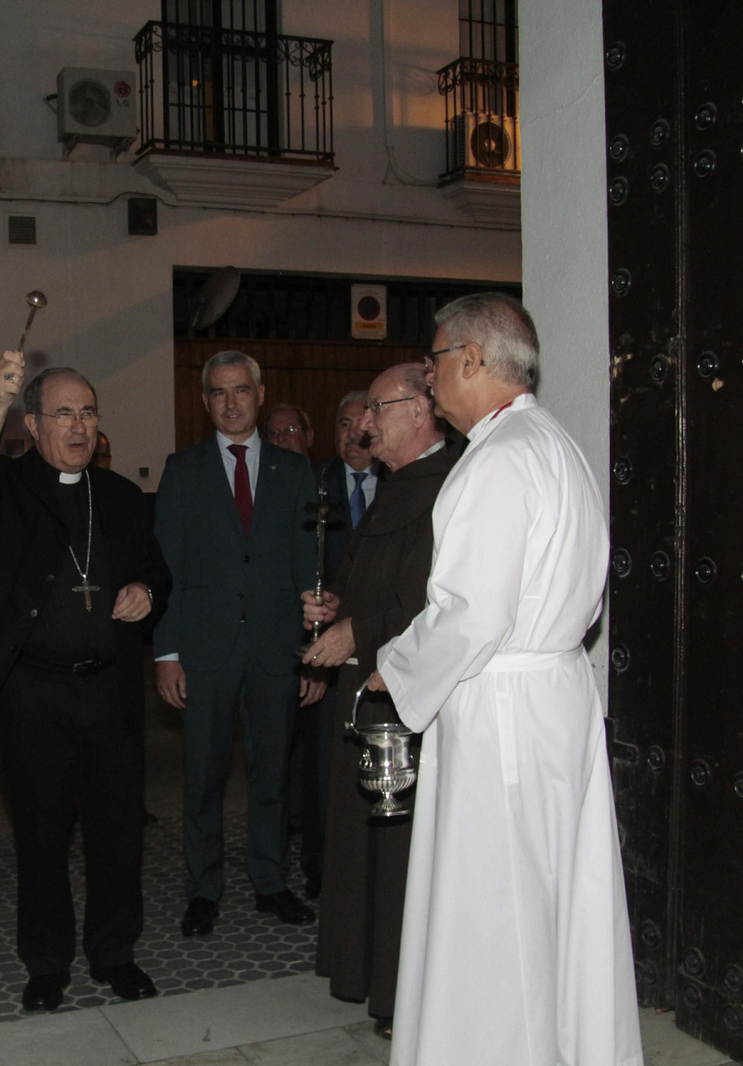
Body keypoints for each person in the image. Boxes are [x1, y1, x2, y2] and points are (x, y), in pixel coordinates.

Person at [363, 294, 642, 1066]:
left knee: (497, 906)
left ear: (472, 359)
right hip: (557, 693)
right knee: (557, 895)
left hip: (505, 706)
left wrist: (395, 667)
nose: (430, 378)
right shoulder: (555, 444)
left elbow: (473, 612)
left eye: (435, 361)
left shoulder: (497, 459)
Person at [0, 354, 171, 1013]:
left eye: (88, 412)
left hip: (109, 690)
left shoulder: (121, 497)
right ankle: (46, 963)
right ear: (34, 424)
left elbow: (157, 568)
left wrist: (147, 589)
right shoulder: (7, 488)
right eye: (63, 414)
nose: (78, 426)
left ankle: (114, 953)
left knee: (117, 831)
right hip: (34, 694)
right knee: (42, 834)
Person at [300, 366, 460, 1038]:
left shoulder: (451, 485)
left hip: (407, 693)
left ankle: (404, 993)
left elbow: (436, 603)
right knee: (362, 839)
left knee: (399, 849)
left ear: (421, 410)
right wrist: (333, 605)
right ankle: (365, 971)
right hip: (365, 690)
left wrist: (357, 631)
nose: (365, 423)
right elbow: (370, 580)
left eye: (377, 408)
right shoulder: (398, 486)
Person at [154, 351, 323, 938]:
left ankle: (270, 881)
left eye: (241, 390)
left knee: (272, 772)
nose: (231, 402)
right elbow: (167, 568)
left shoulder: (294, 471)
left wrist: (313, 654)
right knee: (203, 775)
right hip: (205, 649)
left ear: (260, 393)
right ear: (205, 401)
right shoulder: (183, 470)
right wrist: (167, 653)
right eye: (219, 392)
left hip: (277, 648)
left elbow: (308, 568)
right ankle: (204, 888)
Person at [292, 390, 379, 899]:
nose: (352, 433)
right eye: (342, 424)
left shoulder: (398, 480)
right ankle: (320, 866)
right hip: (326, 647)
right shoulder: (314, 482)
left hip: (382, 645)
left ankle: (370, 866)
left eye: (359, 423)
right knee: (323, 763)